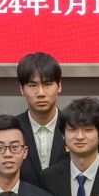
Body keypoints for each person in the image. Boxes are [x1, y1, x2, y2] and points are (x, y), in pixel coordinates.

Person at [15, 51, 68, 188]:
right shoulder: (12, 130)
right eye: (32, 85)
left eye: (47, 84)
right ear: (21, 88)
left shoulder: (74, 128)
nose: (41, 93)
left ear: (59, 86)